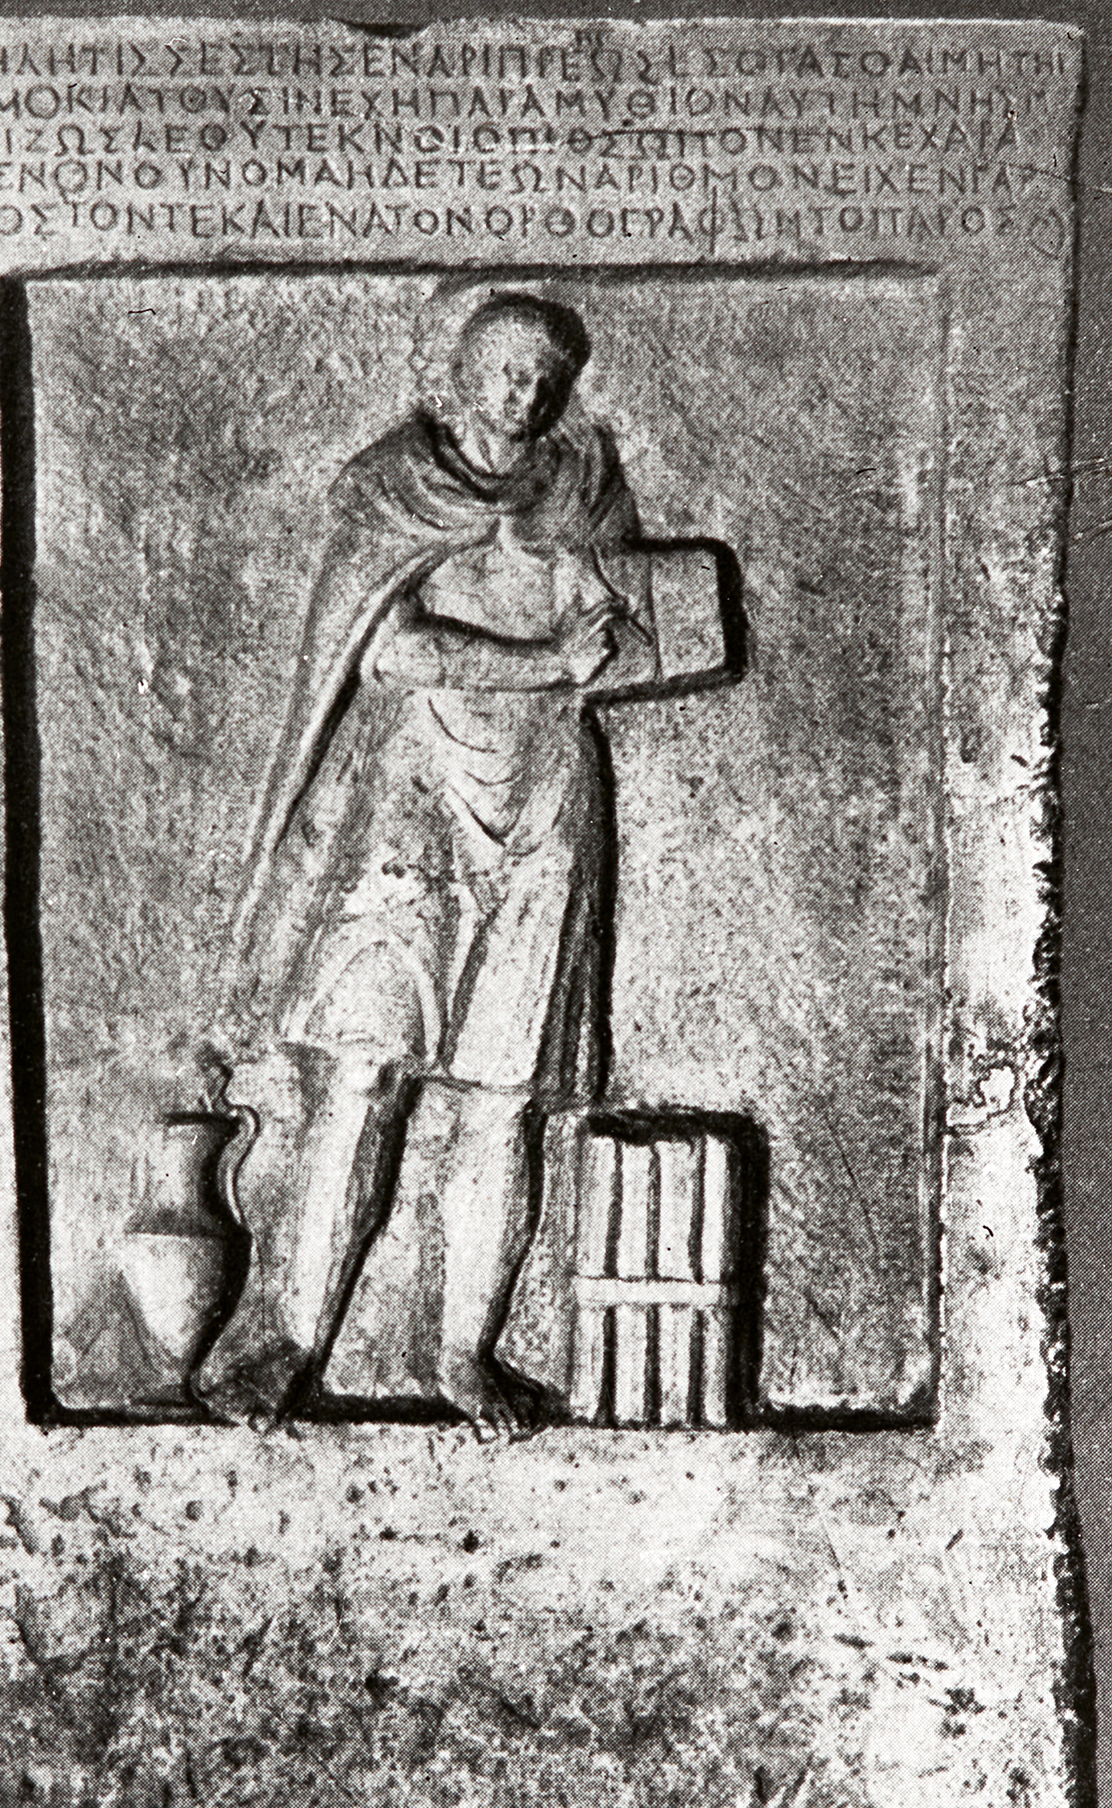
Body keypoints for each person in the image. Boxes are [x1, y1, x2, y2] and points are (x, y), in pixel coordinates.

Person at [200, 291, 656, 1436]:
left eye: (544, 376)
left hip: (543, 805)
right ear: (460, 374)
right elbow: (387, 646)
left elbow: (628, 629)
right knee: (361, 1075)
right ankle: (289, 1338)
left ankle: (464, 1352)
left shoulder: (579, 487)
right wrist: (546, 660)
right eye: (504, 369)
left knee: (501, 1099)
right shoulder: (392, 486)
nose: (524, 393)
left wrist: (617, 644)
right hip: (410, 805)